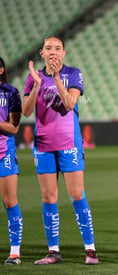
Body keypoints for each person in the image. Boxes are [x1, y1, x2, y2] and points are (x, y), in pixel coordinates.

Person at [21, 36, 99, 265]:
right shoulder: (32, 78)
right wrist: (36, 85)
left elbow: (70, 104)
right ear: (42, 53)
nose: (53, 52)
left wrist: (55, 78)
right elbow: (26, 112)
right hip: (44, 145)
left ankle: (90, 249)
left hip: (69, 144)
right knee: (48, 197)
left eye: (57, 48)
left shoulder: (73, 74)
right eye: (48, 48)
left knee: (77, 195)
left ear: (63, 53)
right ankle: (53, 251)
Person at [0, 57, 23, 265]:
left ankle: (15, 252)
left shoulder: (11, 92)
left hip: (3, 152)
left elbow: (14, 127)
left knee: (10, 201)